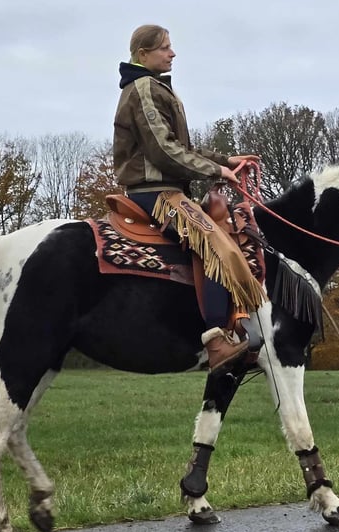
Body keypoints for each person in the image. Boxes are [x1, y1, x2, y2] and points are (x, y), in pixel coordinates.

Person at [112, 24, 265, 375]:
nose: (172, 53)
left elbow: (184, 148)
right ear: (142, 55)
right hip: (155, 191)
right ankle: (217, 340)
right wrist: (214, 173)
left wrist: (226, 162)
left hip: (168, 188)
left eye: (170, 47)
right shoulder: (144, 88)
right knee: (214, 244)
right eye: (165, 48)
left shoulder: (156, 87)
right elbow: (163, 150)